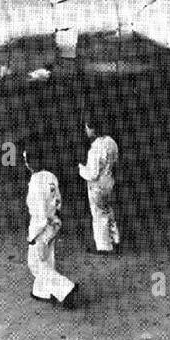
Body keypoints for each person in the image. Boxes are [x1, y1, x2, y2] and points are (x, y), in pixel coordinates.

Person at [26, 171, 77, 306]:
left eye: (27, 159)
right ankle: (42, 292)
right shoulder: (51, 176)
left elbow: (39, 212)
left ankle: (65, 287)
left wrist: (34, 235)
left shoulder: (36, 181)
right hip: (53, 222)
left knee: (35, 263)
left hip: (41, 227)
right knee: (47, 259)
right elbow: (58, 200)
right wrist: (56, 217)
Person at [78, 126, 120, 253]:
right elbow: (116, 160)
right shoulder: (111, 142)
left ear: (94, 129)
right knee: (108, 211)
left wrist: (81, 169)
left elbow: (93, 174)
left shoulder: (95, 148)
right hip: (109, 181)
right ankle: (115, 239)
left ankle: (104, 247)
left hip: (98, 185)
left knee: (98, 214)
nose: (86, 131)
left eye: (87, 128)